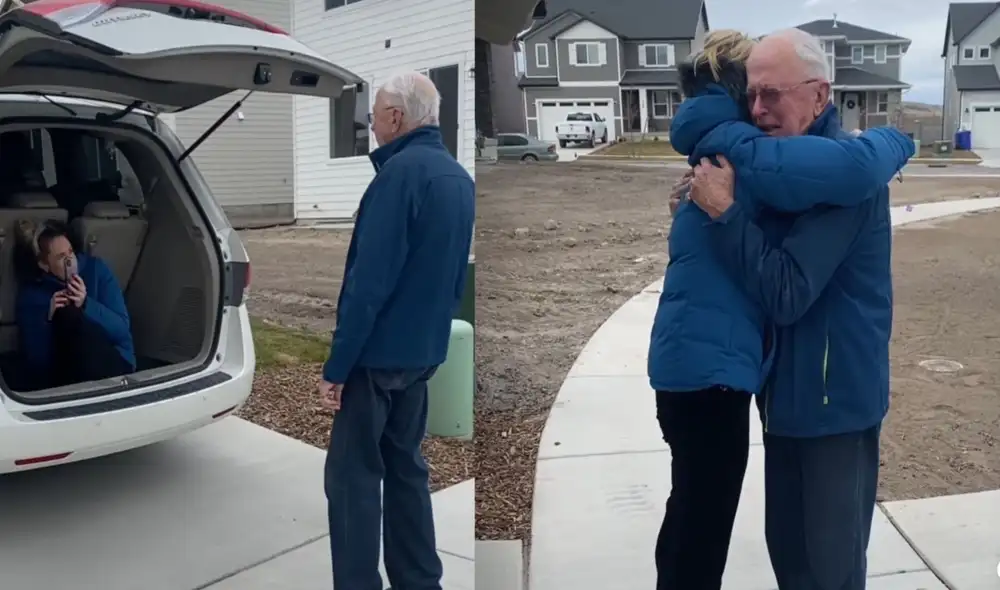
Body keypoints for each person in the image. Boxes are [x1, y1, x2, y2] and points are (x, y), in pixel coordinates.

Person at [648, 30, 913, 590]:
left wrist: (725, 214)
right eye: (752, 95)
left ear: (819, 96)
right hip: (783, 399)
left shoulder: (842, 183)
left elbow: (787, 290)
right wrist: (702, 207)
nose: (759, 109)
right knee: (791, 563)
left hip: (832, 403)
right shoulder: (778, 170)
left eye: (772, 94)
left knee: (827, 570)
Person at [317, 71, 474, 590]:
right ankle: (420, 580)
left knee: (352, 479)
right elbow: (454, 278)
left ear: (395, 117)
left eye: (374, 115)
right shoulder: (457, 178)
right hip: (420, 356)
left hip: (375, 359)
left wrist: (337, 367)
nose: (371, 125)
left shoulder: (398, 177)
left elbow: (368, 284)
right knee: (406, 469)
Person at [15, 219, 135, 389]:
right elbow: (37, 362)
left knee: (73, 316)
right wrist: (47, 320)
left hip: (114, 362)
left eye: (70, 252)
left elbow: (122, 330)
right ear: (44, 264)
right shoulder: (32, 295)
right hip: (64, 375)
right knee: (65, 316)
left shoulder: (96, 270)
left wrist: (86, 304)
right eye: (61, 257)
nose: (70, 261)